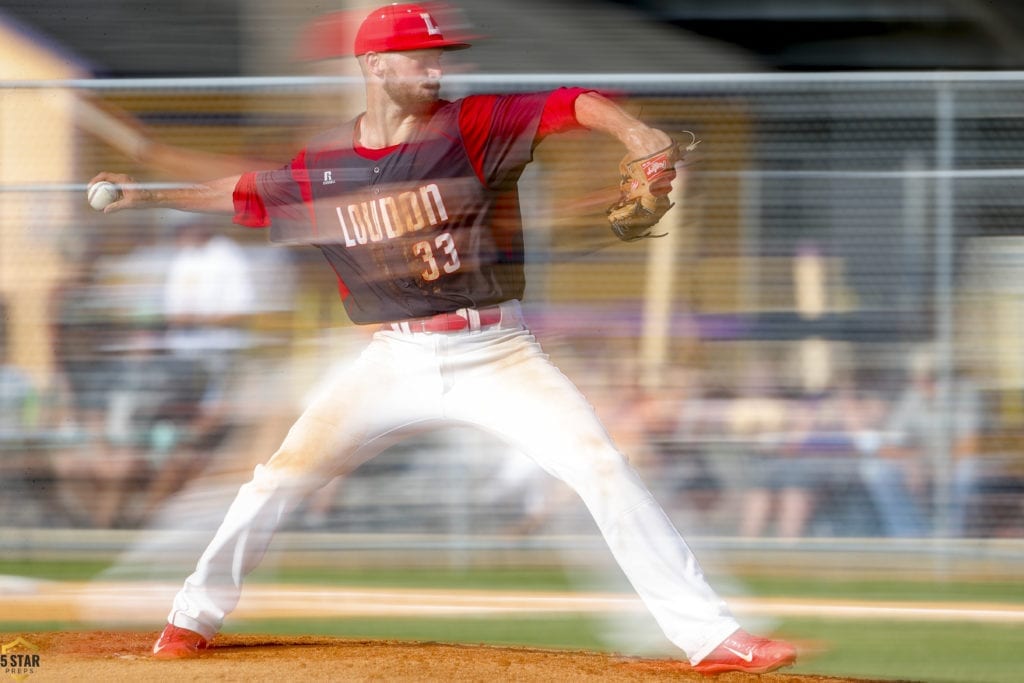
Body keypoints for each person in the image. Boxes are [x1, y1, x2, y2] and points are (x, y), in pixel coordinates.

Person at [91, 4, 796, 674]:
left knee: (601, 468)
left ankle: (712, 637)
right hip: (392, 359)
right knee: (275, 478)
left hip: (499, 355)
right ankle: (189, 619)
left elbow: (572, 101)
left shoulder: (475, 125)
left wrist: (638, 136)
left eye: (439, 58)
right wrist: (143, 196)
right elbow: (242, 192)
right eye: (419, 58)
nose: (436, 70)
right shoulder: (328, 164)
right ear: (374, 65)